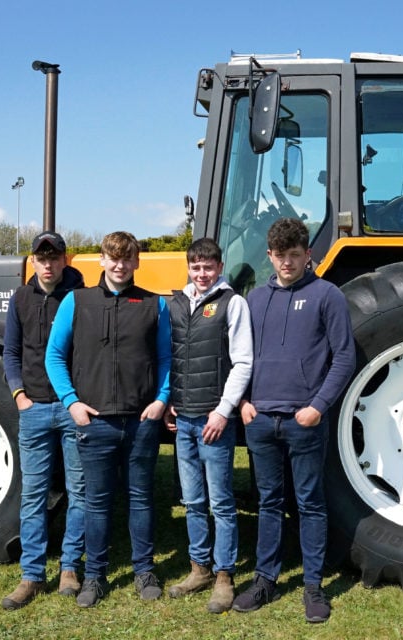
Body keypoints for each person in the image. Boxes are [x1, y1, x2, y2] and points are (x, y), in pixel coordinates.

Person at [232, 217, 355, 624]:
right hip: (262, 420)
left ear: (308, 256)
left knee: (310, 504)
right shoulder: (254, 301)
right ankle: (265, 579)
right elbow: (241, 359)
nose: (287, 263)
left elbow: (344, 357)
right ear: (270, 256)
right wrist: (245, 402)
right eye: (281, 256)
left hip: (304, 420)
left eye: (295, 256)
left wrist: (318, 405)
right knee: (268, 503)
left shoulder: (327, 296)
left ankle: (314, 587)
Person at [45, 231, 171, 608]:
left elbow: (166, 359)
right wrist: (72, 403)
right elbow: (54, 357)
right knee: (96, 503)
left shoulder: (154, 305)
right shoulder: (76, 302)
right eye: (112, 258)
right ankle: (95, 576)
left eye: (126, 258)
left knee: (141, 500)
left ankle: (144, 570)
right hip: (94, 422)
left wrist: (161, 401)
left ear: (136, 262)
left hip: (140, 421)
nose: (119, 265)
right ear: (101, 260)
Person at [166, 238, 253, 613]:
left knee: (221, 501)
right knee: (193, 501)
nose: (202, 273)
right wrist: (171, 402)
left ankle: (224, 575)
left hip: (213, 419)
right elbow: (171, 357)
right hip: (182, 419)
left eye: (208, 267)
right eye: (196, 266)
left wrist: (222, 411)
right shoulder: (176, 304)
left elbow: (243, 362)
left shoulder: (233, 304)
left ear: (219, 268)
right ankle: (198, 567)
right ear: (189, 267)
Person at [0, 231, 86, 610]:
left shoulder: (83, 297)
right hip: (34, 408)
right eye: (41, 258)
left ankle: (70, 569)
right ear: (32, 261)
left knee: (79, 492)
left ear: (66, 260)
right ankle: (32, 574)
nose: (48, 264)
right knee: (33, 494)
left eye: (55, 258)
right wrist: (19, 394)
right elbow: (10, 351)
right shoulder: (20, 299)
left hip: (71, 409)